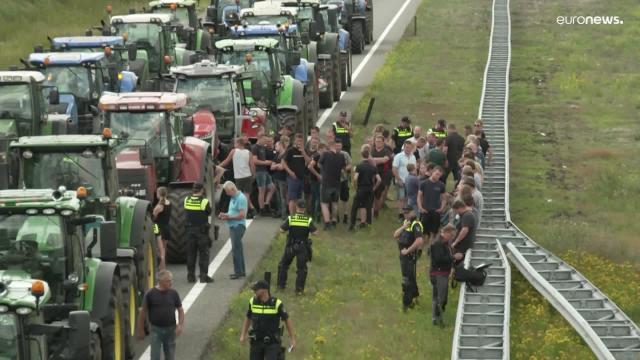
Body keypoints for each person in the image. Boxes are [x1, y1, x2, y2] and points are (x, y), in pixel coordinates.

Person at [240, 280, 296, 360]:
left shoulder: (277, 303)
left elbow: (287, 320)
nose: (254, 291)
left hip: (272, 342)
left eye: (256, 290)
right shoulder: (253, 302)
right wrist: (243, 334)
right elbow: (248, 318)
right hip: (256, 341)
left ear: (264, 290)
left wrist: (292, 339)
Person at [138, 270, 184, 360]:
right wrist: (141, 330)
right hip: (156, 331)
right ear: (160, 282)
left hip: (171, 330)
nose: (171, 283)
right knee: (155, 356)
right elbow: (143, 313)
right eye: (168, 281)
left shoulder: (174, 293)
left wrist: (180, 325)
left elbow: (180, 310)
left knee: (170, 356)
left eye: (171, 280)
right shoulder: (150, 294)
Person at [277, 199, 318, 294]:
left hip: (291, 246)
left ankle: (281, 285)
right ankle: (299, 290)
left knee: (283, 265)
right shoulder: (308, 220)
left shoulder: (291, 218)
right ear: (304, 208)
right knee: (302, 269)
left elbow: (282, 230)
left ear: (296, 207)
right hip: (303, 247)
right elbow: (315, 232)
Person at [393, 206, 424, 311]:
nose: (406, 215)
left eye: (407, 213)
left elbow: (419, 241)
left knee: (407, 280)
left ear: (413, 212)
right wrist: (403, 226)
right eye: (404, 213)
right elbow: (395, 235)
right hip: (403, 256)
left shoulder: (416, 224)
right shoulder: (406, 223)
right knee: (409, 277)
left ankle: (407, 303)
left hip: (410, 256)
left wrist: (408, 250)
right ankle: (415, 296)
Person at [429, 224, 462, 326]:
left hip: (441, 273)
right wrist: (453, 257)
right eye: (451, 235)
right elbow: (439, 259)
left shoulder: (445, 243)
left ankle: (436, 317)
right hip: (438, 273)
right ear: (446, 233)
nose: (452, 237)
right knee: (440, 297)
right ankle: (438, 319)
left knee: (438, 296)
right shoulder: (438, 243)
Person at [183, 182, 213, 283]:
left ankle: (190, 276)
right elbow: (209, 211)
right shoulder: (204, 201)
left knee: (191, 254)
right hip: (201, 231)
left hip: (189, 231)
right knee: (203, 254)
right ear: (202, 190)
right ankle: (203, 276)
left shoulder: (186, 199)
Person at [220, 137, 256, 218]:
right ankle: (247, 212)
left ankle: (240, 212)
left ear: (238, 144)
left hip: (238, 177)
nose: (234, 145)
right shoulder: (249, 152)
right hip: (248, 175)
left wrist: (218, 166)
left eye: (235, 143)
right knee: (246, 195)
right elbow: (252, 165)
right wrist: (253, 175)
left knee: (239, 195)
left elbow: (226, 161)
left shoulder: (234, 151)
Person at [218, 181, 248, 279]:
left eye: (227, 192)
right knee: (238, 248)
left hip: (238, 226)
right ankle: (241, 271)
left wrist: (228, 217)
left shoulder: (241, 198)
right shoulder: (233, 197)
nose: (226, 194)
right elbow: (233, 212)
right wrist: (225, 214)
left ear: (232, 189)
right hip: (234, 226)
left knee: (236, 249)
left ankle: (238, 271)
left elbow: (242, 215)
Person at [315, 140, 346, 229]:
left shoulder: (325, 154)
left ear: (330, 145)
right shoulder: (341, 156)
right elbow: (344, 168)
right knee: (335, 203)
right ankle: (334, 220)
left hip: (326, 183)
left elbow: (319, 165)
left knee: (324, 204)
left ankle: (327, 223)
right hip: (337, 183)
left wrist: (325, 169)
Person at [349, 147, 381, 230]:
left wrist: (356, 187)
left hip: (361, 189)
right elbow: (379, 180)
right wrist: (374, 188)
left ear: (361, 156)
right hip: (370, 189)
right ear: (368, 156)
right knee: (368, 206)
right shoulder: (373, 167)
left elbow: (355, 178)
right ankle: (368, 223)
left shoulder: (359, 166)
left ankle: (352, 224)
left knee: (355, 207)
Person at [417, 166, 447, 242]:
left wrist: (442, 208)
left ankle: (432, 242)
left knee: (434, 230)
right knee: (423, 229)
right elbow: (419, 197)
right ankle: (422, 241)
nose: (438, 176)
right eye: (436, 174)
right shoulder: (424, 183)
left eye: (439, 175)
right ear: (432, 172)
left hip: (436, 211)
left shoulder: (441, 185)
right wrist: (420, 208)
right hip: (425, 210)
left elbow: (444, 198)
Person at [283, 134, 309, 215]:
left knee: (298, 199)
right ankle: (291, 216)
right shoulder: (290, 150)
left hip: (301, 178)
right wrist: (290, 172)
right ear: (294, 141)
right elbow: (283, 162)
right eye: (298, 140)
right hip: (292, 178)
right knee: (292, 198)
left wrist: (303, 152)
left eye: (301, 141)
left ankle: (297, 215)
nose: (299, 142)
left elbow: (308, 161)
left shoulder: (304, 150)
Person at [392, 140, 417, 220]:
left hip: (410, 181)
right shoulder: (398, 156)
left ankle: (406, 214)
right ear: (404, 147)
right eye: (406, 147)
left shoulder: (413, 157)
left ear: (412, 148)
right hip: (401, 180)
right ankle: (401, 214)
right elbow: (394, 168)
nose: (408, 149)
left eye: (409, 147)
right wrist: (398, 179)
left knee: (407, 198)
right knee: (402, 198)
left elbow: (415, 169)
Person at [253, 135, 277, 216]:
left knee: (272, 188)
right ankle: (262, 209)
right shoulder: (255, 148)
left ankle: (266, 204)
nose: (266, 142)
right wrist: (265, 162)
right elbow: (254, 160)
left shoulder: (263, 147)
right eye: (265, 140)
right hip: (259, 171)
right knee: (262, 190)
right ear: (260, 139)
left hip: (265, 171)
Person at [371, 135, 393, 217]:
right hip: (372, 174)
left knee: (378, 194)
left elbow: (385, 159)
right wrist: (378, 160)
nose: (378, 143)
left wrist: (372, 160)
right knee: (372, 193)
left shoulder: (386, 151)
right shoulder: (372, 150)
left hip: (383, 174)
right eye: (376, 141)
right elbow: (366, 159)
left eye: (380, 141)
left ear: (383, 142)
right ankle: (372, 210)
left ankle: (376, 210)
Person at [153, 187, 171, 270]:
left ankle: (161, 268)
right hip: (167, 228)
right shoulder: (169, 203)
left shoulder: (160, 206)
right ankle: (164, 267)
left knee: (160, 250)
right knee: (164, 249)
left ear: (158, 194)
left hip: (159, 228)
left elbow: (153, 217)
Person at [270, 140, 289, 220]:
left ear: (281, 145)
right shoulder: (277, 155)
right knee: (278, 197)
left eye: (276, 146)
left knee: (283, 197)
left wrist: (277, 166)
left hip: (283, 179)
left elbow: (282, 167)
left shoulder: (286, 154)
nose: (275, 147)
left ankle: (284, 214)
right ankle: (280, 212)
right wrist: (278, 165)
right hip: (276, 178)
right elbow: (272, 166)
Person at [336, 140, 352, 225]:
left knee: (345, 198)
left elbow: (350, 164)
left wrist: (345, 169)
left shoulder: (345, 154)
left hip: (344, 179)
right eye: (337, 145)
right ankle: (337, 215)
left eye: (339, 146)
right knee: (335, 198)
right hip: (334, 180)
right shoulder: (332, 153)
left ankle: (346, 214)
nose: (338, 147)